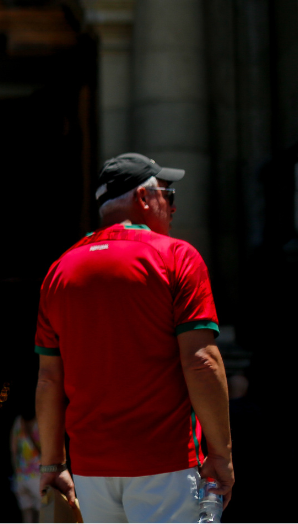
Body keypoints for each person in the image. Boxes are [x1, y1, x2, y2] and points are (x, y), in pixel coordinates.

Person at [34, 153, 234, 522]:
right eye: (168, 195)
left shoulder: (58, 272)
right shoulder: (176, 256)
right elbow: (202, 360)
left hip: (92, 472)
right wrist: (221, 455)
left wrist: (52, 462)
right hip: (166, 464)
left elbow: (49, 379)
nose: (172, 208)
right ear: (144, 198)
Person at [10, 409, 42, 522]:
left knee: (27, 517)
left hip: (21, 476)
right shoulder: (41, 421)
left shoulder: (18, 422)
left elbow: (13, 450)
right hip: (38, 476)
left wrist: (16, 474)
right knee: (41, 515)